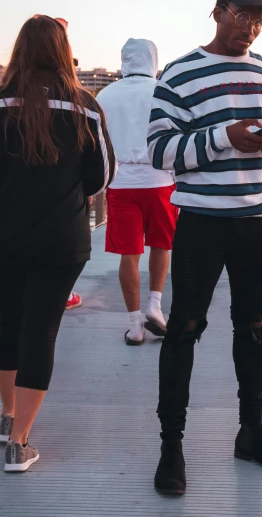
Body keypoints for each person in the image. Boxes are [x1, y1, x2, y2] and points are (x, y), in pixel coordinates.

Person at [147, 0, 262, 496]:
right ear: (217, 10)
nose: (250, 27)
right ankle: (172, 446)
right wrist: (223, 137)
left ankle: (251, 434)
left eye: (259, 19)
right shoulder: (181, 73)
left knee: (253, 328)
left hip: (260, 221)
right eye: (242, 15)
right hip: (203, 223)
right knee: (185, 328)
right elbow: (160, 152)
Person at [0, 15, 116, 472]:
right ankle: (20, 441)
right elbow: (103, 175)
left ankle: (8, 417)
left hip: (1, 238)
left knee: (12, 322)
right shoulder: (85, 106)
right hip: (61, 239)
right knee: (41, 331)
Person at [97, 39, 177, 344]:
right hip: (159, 180)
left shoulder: (105, 95)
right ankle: (155, 306)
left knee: (129, 255)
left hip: (121, 183)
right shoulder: (162, 90)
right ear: (153, 60)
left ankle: (134, 326)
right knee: (161, 245)